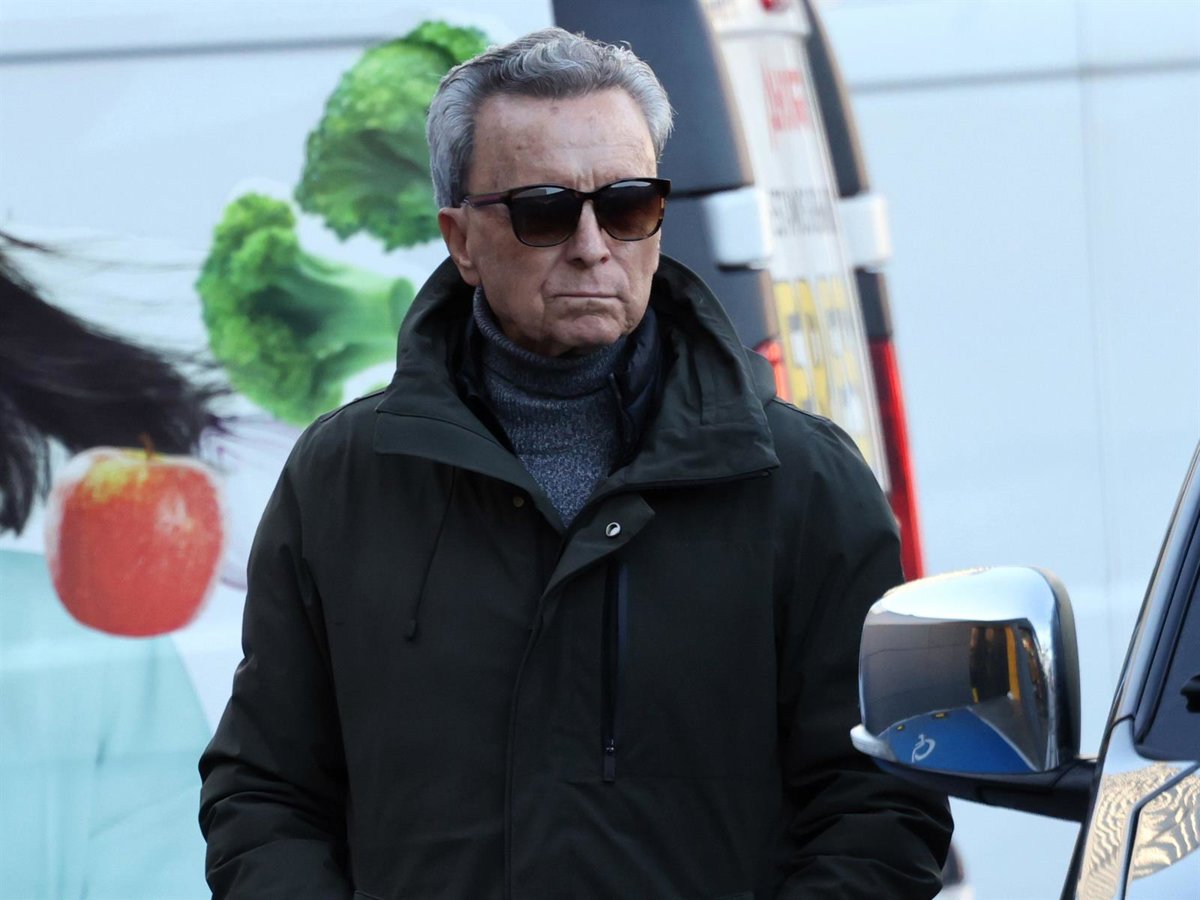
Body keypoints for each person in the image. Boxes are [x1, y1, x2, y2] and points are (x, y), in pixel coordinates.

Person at [199, 27, 953, 899]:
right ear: (461, 239)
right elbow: (266, 793)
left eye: (628, 206)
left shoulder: (800, 481)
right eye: (546, 210)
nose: (594, 245)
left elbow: (882, 806)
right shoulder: (343, 482)